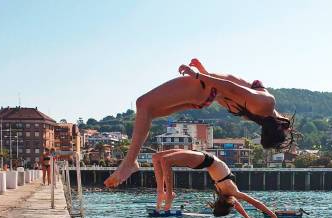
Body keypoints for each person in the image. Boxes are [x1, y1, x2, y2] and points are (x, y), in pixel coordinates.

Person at [104, 58, 296, 188]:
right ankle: (131, 162)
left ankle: (130, 163)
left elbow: (230, 86)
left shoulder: (266, 104)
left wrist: (197, 75)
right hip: (205, 95)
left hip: (203, 88)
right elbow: (228, 90)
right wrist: (204, 71)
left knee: (143, 104)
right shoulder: (262, 114)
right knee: (147, 112)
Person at [151, 149, 281, 218]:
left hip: (205, 160)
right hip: (203, 155)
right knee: (156, 157)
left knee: (165, 160)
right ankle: (161, 192)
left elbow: (253, 204)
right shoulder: (231, 194)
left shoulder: (230, 193)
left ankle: (168, 194)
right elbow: (253, 204)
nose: (234, 204)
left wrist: (269, 216)